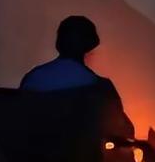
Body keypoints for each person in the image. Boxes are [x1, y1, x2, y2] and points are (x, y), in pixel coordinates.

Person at [21, 15, 134, 143]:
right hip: (81, 160)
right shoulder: (101, 87)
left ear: (58, 43)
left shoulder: (33, 78)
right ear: (90, 45)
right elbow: (125, 132)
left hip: (34, 158)